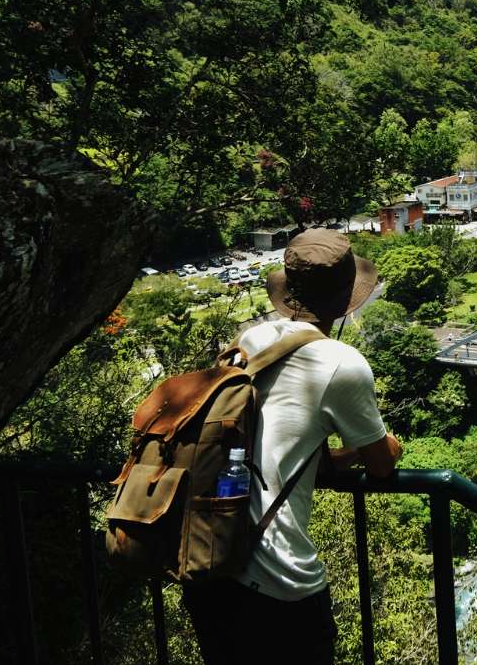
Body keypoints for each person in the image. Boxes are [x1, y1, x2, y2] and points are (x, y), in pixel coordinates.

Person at [183, 228, 403, 665]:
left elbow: (277, 443)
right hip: (278, 580)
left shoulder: (249, 342)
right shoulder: (342, 364)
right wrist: (381, 447)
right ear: (344, 301)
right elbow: (382, 465)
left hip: (208, 563)